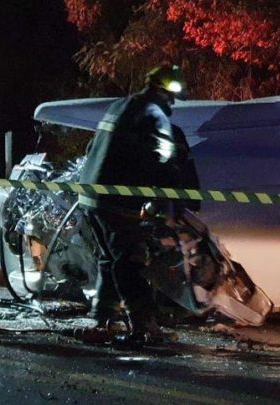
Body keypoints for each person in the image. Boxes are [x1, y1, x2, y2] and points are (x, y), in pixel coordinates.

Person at [79, 64, 193, 344]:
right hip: (117, 202)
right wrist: (175, 198)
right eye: (172, 97)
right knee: (129, 262)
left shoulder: (119, 106)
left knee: (109, 259)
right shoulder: (154, 115)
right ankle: (145, 324)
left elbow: (92, 147)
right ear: (165, 93)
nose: (172, 104)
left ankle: (103, 320)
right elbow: (164, 162)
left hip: (90, 198)